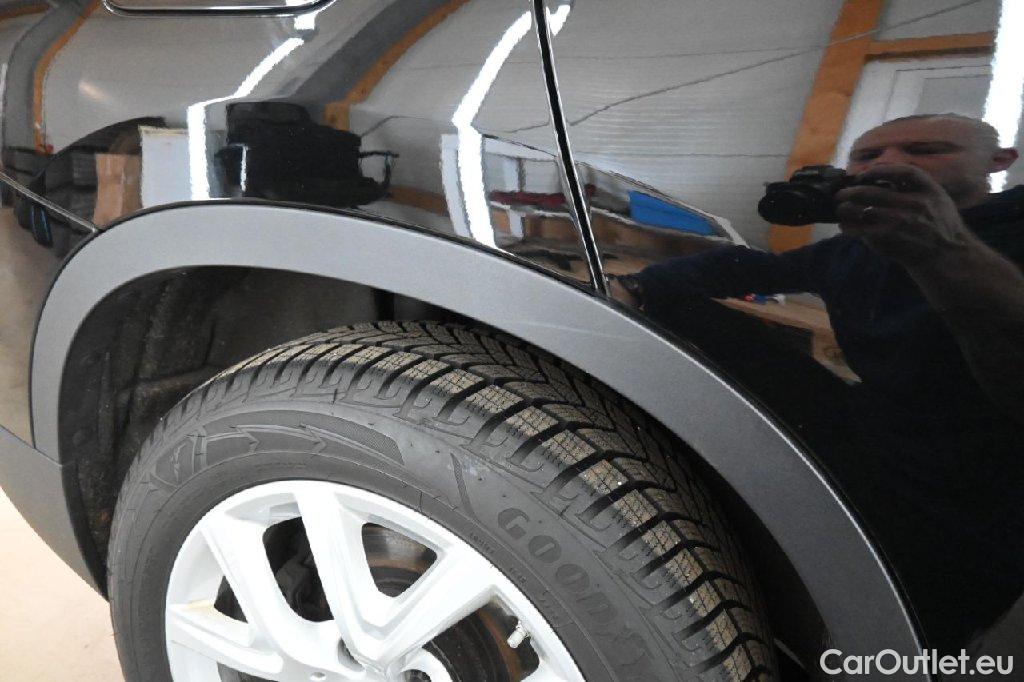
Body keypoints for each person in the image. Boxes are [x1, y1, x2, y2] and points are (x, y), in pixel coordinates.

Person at [611, 114, 1024, 655]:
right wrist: (636, 288)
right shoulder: (852, 250)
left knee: (905, 636)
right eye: (867, 157)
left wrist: (944, 250)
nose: (888, 165)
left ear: (999, 162)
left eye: (925, 150)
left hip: (982, 492)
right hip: (874, 432)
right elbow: (743, 268)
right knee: (686, 315)